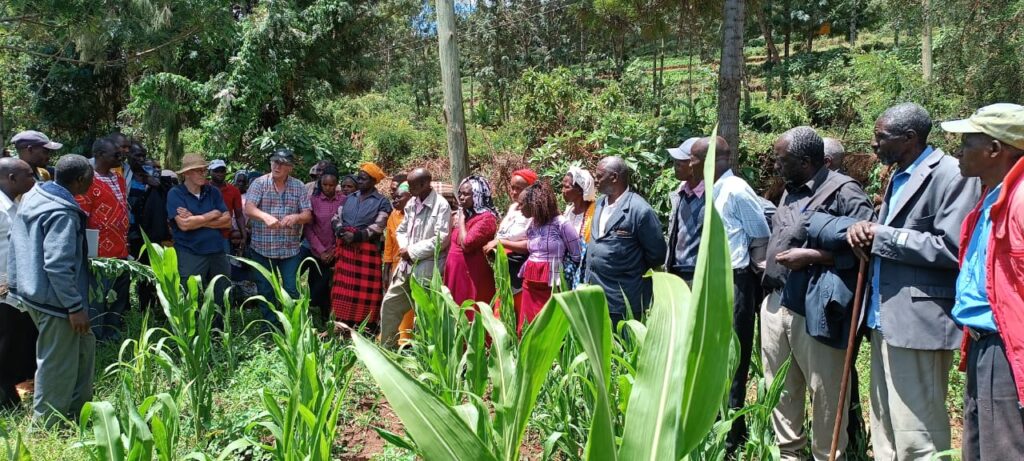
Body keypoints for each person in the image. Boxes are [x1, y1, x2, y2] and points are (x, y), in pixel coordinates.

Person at [846, 103, 981, 459]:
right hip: (884, 319)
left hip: (918, 322)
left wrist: (883, 236)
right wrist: (866, 233)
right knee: (886, 430)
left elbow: (954, 247)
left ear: (909, 138)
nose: (874, 145)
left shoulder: (952, 175)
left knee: (917, 436)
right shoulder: (900, 174)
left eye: (880, 138)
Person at [760, 127, 874, 460]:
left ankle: (828, 454)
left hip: (815, 306)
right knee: (781, 388)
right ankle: (789, 454)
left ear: (806, 161)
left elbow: (869, 247)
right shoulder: (791, 189)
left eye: (782, 161)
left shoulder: (845, 191)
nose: (775, 166)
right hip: (777, 300)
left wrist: (814, 257)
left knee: (825, 390)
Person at [942, 103, 1024, 461]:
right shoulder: (992, 195)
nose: (957, 151)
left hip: (1007, 344)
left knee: (1004, 450)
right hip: (983, 342)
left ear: (994, 149)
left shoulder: (1020, 200)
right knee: (979, 448)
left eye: (966, 141)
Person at [688, 136, 772, 450]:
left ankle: (733, 437)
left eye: (695, 159)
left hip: (735, 282)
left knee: (733, 357)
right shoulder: (715, 191)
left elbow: (760, 233)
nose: (691, 165)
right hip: (714, 282)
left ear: (712, 159)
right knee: (714, 356)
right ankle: (715, 424)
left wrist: (745, 271)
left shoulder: (736, 190)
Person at [8, 154, 94, 427]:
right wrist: (74, 307)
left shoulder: (35, 196)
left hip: (32, 291)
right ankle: (46, 425)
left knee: (84, 347)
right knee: (57, 363)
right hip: (55, 300)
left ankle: (78, 410)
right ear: (80, 180)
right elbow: (57, 265)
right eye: (90, 178)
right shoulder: (62, 212)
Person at [585, 156, 667, 325]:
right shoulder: (600, 203)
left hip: (623, 300)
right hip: (595, 295)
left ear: (614, 177)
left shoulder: (639, 210)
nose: (595, 180)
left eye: (599, 176)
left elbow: (657, 254)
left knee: (624, 348)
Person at [379, 168, 451, 348]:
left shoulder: (441, 206)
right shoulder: (412, 203)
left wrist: (412, 251)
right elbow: (401, 230)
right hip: (406, 266)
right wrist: (405, 248)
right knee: (390, 304)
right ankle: (388, 348)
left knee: (425, 313)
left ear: (425, 184)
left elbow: (441, 239)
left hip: (426, 268)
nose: (409, 189)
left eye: (412, 185)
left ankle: (426, 354)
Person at [244, 148, 312, 324]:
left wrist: (296, 217)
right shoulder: (259, 183)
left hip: (289, 249)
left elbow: (308, 215)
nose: (277, 166)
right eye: (275, 162)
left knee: (291, 288)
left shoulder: (298, 186)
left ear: (290, 167)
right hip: (262, 248)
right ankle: (271, 324)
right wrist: (265, 216)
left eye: (282, 164)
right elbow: (249, 208)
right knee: (266, 288)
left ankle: (293, 323)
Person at [76, 138, 131, 342]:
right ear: (99, 155)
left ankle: (113, 333)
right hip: (98, 252)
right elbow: (82, 216)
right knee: (97, 296)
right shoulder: (87, 181)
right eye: (116, 154)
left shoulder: (119, 178)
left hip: (121, 249)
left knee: (119, 294)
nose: (121, 157)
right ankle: (95, 337)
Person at [330, 163, 393, 329]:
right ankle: (341, 323)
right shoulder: (349, 197)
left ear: (373, 181)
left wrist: (357, 236)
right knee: (343, 289)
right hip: (346, 249)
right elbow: (336, 217)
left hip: (366, 251)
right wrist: (340, 230)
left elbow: (379, 225)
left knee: (365, 292)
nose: (359, 180)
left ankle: (364, 325)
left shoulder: (382, 202)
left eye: (363, 178)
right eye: (359, 177)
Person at [166, 154, 233, 310]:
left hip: (217, 251)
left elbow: (228, 221)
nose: (204, 174)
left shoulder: (213, 192)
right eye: (199, 171)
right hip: (190, 252)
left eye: (204, 170)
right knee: (189, 294)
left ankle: (219, 329)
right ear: (187, 173)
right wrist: (212, 214)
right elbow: (184, 225)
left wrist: (196, 219)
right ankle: (190, 331)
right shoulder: (175, 193)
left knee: (221, 292)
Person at [518, 180, 582, 333]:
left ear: (534, 203)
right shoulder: (533, 224)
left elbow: (577, 254)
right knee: (527, 327)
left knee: (548, 327)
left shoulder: (561, 224)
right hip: (530, 282)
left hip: (551, 283)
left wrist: (562, 272)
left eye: (522, 204)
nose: (519, 208)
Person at [0, 158, 37, 410]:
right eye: (28, 176)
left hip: (14, 287)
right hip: (2, 288)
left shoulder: (15, 205)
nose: (33, 180)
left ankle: (11, 393)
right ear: (12, 178)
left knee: (14, 343)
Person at [444, 176, 499, 312]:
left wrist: (461, 221)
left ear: (479, 195)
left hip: (472, 275)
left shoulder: (486, 218)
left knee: (471, 311)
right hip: (456, 273)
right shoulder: (467, 214)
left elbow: (467, 244)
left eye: (467, 194)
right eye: (460, 193)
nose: (461, 197)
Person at [484, 169, 536, 310]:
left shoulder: (534, 212)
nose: (513, 192)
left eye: (519, 189)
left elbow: (532, 244)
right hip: (504, 267)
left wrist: (502, 243)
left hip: (519, 269)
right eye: (512, 187)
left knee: (517, 312)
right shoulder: (513, 207)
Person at [304, 167, 343, 322]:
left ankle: (332, 317)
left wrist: (334, 250)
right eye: (325, 185)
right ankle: (317, 316)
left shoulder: (344, 200)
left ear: (336, 184)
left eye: (331, 185)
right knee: (317, 285)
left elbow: (345, 226)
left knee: (333, 285)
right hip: (317, 252)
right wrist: (321, 250)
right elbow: (308, 227)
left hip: (337, 251)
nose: (328, 188)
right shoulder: (313, 201)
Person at [665, 137, 704, 283]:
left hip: (700, 274)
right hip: (677, 271)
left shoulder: (713, 195)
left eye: (679, 163)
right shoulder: (680, 193)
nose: (675, 167)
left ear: (694, 165)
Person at [383, 182, 414, 343]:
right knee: (393, 303)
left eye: (399, 197)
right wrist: (386, 270)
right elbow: (389, 245)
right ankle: (391, 338)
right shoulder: (393, 216)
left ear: (410, 197)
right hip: (396, 265)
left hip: (414, 264)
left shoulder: (416, 214)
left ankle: (406, 340)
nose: (394, 201)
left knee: (409, 306)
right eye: (393, 198)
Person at [561, 166, 596, 287]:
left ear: (580, 190)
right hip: (566, 269)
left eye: (567, 187)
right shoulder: (568, 211)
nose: (563, 190)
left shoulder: (594, 214)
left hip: (583, 270)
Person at [209, 159, 247, 257]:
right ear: (210, 172)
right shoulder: (203, 187)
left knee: (223, 267)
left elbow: (239, 215)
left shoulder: (233, 191)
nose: (220, 174)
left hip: (224, 235)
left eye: (222, 171)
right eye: (216, 171)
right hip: (205, 233)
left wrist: (244, 235)